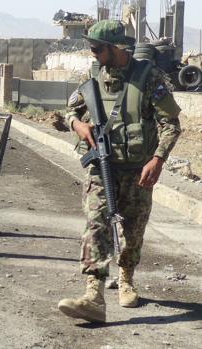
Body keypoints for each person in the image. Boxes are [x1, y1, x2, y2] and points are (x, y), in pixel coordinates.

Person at [58, 20, 181, 323]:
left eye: (97, 49)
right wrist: (77, 124)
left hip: (139, 169)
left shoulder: (149, 77)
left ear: (116, 48)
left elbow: (171, 126)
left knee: (133, 231)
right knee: (96, 224)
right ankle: (93, 294)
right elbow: (70, 110)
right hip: (102, 166)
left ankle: (126, 280)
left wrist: (158, 159)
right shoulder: (91, 77)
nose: (93, 54)